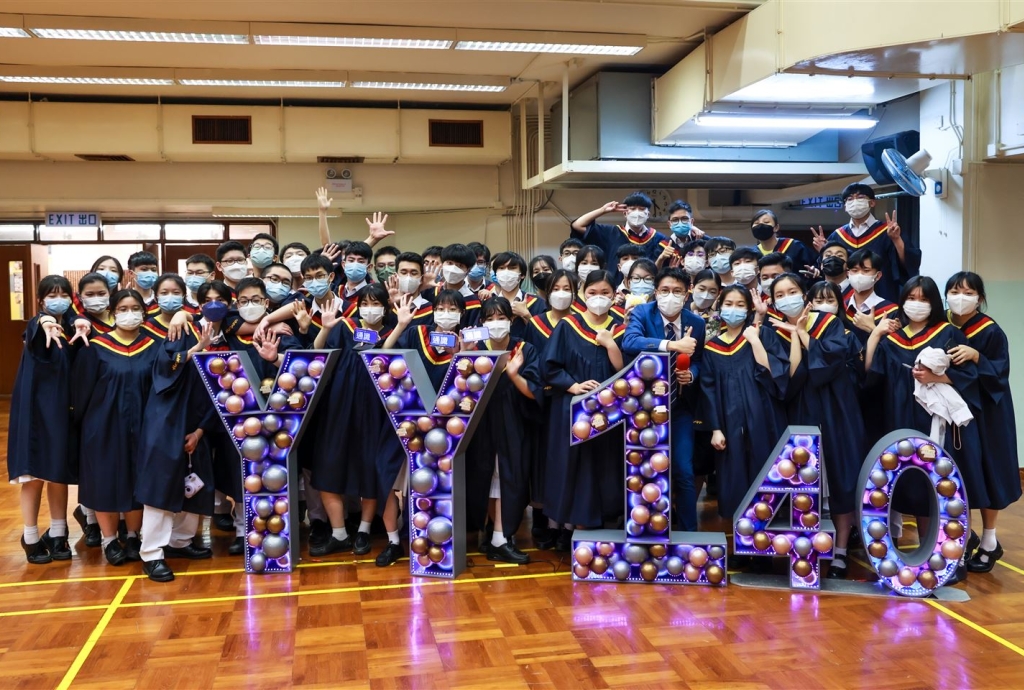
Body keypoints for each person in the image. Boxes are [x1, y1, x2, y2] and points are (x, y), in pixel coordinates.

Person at [864, 276, 985, 582]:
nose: (916, 304)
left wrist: (938, 378)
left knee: (946, 486)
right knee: (915, 488)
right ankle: (927, 553)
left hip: (938, 422)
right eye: (911, 297)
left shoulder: (949, 334)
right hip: (898, 418)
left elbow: (970, 377)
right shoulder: (892, 338)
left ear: (933, 304)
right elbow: (871, 379)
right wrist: (875, 334)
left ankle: (954, 558)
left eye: (924, 299)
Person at [767, 273, 865, 579]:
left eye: (792, 290)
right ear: (774, 301)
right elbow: (787, 378)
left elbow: (832, 363)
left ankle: (841, 550)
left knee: (842, 475)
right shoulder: (773, 331)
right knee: (803, 477)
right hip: (800, 408)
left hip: (836, 407)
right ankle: (805, 547)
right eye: (780, 294)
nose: (787, 298)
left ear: (804, 294)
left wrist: (802, 333)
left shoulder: (828, 323)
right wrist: (793, 336)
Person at [311, 284, 404, 563]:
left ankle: (364, 529)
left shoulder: (392, 332)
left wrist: (400, 325)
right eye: (365, 303)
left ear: (385, 307)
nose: (370, 308)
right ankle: (339, 533)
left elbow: (386, 356)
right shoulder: (344, 327)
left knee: (369, 470)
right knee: (328, 466)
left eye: (376, 303)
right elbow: (318, 351)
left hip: (375, 411)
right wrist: (325, 328)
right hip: (338, 407)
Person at [72, 288, 158, 566]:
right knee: (104, 480)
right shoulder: (95, 347)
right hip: (103, 426)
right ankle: (109, 539)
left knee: (137, 479)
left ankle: (132, 536)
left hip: (143, 424)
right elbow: (81, 393)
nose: (129, 314)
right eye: (122, 309)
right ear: (112, 313)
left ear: (144, 313)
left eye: (134, 308)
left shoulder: (153, 346)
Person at [542, 270, 625, 548]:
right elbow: (549, 366)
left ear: (614, 295)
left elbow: (626, 370)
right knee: (572, 467)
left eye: (605, 293)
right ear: (583, 294)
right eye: (592, 293)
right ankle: (567, 528)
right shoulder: (568, 326)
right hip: (571, 408)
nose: (598, 298)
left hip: (610, 412)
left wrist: (610, 344)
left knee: (604, 465)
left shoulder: (621, 327)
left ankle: (602, 526)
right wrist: (573, 385)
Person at [945, 272, 1021, 572]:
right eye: (954, 291)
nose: (960, 297)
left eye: (968, 292)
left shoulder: (990, 331)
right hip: (953, 413)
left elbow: (999, 375)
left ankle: (990, 540)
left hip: (988, 413)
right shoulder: (943, 327)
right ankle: (964, 536)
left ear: (980, 298)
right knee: (959, 474)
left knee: (990, 472)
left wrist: (977, 356)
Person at [136, 303, 216, 582]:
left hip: (198, 421)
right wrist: (197, 348)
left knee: (196, 482)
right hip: (167, 420)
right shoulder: (178, 331)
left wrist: (200, 431)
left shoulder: (224, 333)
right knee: (161, 484)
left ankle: (180, 542)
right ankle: (152, 553)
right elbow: (165, 368)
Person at [623, 267, 706, 531]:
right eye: (665, 290)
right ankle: (645, 527)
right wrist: (672, 345)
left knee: (683, 469)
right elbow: (630, 342)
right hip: (644, 407)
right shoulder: (642, 313)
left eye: (677, 291)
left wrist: (691, 375)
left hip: (679, 406)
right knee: (644, 468)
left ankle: (689, 532)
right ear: (656, 292)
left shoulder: (697, 323)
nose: (671, 296)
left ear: (687, 294)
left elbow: (699, 360)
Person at [699, 284, 789, 520]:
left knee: (765, 471)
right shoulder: (711, 348)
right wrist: (715, 429)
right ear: (720, 308)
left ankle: (767, 532)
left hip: (763, 418)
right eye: (729, 304)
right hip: (728, 423)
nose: (734, 309)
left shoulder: (762, 335)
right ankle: (741, 534)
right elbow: (708, 390)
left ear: (749, 309)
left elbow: (778, 373)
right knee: (734, 476)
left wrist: (755, 338)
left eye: (740, 305)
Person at [465, 297, 544, 564]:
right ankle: (496, 536)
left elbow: (533, 392)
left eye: (502, 318)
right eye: (490, 319)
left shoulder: (524, 349)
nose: (496, 323)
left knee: (511, 478)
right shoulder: (476, 348)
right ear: (482, 323)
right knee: (486, 477)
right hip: (481, 424)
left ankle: (500, 536)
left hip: (514, 422)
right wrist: (463, 355)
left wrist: (513, 374)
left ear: (511, 321)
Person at [9, 275, 77, 564]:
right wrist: (46, 321)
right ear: (41, 301)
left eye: (63, 294)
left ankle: (59, 533)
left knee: (58, 473)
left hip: (62, 410)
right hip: (35, 411)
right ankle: (30, 535)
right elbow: (39, 325)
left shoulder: (73, 327)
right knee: (34, 475)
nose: (58, 299)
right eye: (52, 295)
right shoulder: (37, 325)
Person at [524, 269, 578, 548]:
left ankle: (568, 524)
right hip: (541, 402)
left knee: (568, 464)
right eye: (556, 288)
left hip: (571, 401)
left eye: (567, 288)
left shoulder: (581, 323)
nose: (561, 293)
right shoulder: (536, 324)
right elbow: (531, 361)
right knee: (543, 463)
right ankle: (544, 520)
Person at [812, 183, 921, 302]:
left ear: (872, 202)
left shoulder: (888, 231)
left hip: (882, 296)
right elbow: (828, 272)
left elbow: (908, 265)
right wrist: (825, 251)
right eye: (850, 199)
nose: (855, 202)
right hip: (846, 300)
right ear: (845, 206)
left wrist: (896, 240)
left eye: (860, 197)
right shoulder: (838, 235)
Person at [385, 289, 466, 391]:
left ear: (462, 313)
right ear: (434, 311)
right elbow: (385, 351)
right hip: (411, 396)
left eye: (452, 309)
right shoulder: (417, 333)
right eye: (440, 309)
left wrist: (458, 355)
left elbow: (464, 382)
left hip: (447, 399)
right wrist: (401, 325)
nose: (446, 313)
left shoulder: (464, 344)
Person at [570, 192, 670, 265]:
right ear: (625, 213)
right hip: (614, 286)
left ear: (648, 214)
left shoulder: (659, 239)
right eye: (632, 209)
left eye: (642, 209)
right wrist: (603, 210)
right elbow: (578, 225)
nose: (637, 213)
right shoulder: (610, 233)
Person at [489, 251, 548, 339]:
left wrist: (527, 316)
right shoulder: (488, 304)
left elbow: (546, 338)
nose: (506, 272)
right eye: (501, 268)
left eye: (512, 268)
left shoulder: (538, 304)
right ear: (496, 274)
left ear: (522, 275)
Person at [845, 248, 899, 344]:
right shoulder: (842, 308)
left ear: (878, 276)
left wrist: (872, 328)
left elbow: (894, 348)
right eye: (855, 270)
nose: (859, 275)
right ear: (848, 274)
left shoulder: (891, 312)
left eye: (866, 270)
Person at [421, 243, 482, 327]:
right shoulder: (431, 291)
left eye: (460, 265)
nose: (453, 269)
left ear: (468, 270)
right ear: (442, 264)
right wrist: (422, 287)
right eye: (449, 263)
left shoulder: (473, 303)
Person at [143, 274, 187, 340]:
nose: (170, 297)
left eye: (176, 293)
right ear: (155, 297)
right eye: (164, 293)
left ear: (184, 296)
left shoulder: (192, 324)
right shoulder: (148, 327)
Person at [127, 251, 161, 316]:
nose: (150, 273)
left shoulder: (161, 299)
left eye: (153, 270)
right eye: (144, 269)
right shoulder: (126, 299)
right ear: (131, 273)